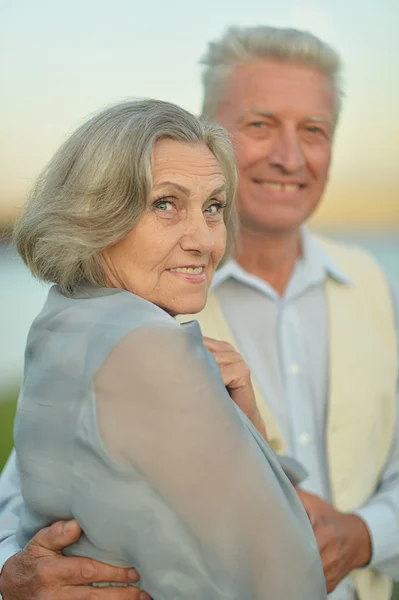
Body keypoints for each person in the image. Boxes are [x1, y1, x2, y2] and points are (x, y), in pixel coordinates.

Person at [0, 98, 326, 600]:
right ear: (96, 213)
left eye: (213, 207)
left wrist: (242, 421)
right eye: (165, 204)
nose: (204, 240)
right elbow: (292, 569)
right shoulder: (148, 346)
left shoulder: (63, 319)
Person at [178, 25, 398, 600]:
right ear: (206, 136)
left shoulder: (377, 286)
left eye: (314, 130)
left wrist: (365, 535)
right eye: (260, 124)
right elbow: (29, 492)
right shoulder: (140, 296)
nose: (290, 157)